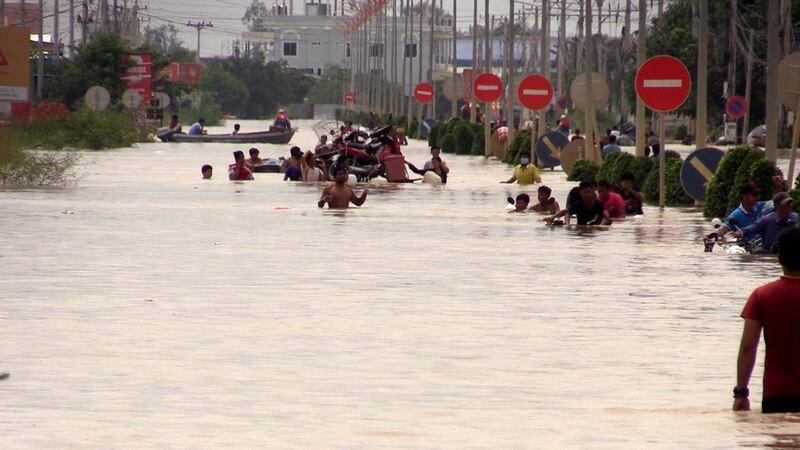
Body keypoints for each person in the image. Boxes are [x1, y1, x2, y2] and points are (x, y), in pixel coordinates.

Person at [733, 227, 800, 413]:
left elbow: (747, 347)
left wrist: (741, 394)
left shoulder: (762, 296)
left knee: (780, 441)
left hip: (777, 394)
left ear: (779, 258)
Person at [545, 180, 610, 226]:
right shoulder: (578, 205)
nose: (587, 195)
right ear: (581, 194)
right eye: (584, 193)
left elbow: (606, 217)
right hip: (581, 229)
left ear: (593, 192)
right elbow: (566, 212)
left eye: (588, 192)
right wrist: (567, 224)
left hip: (596, 230)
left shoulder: (599, 205)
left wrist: (601, 225)